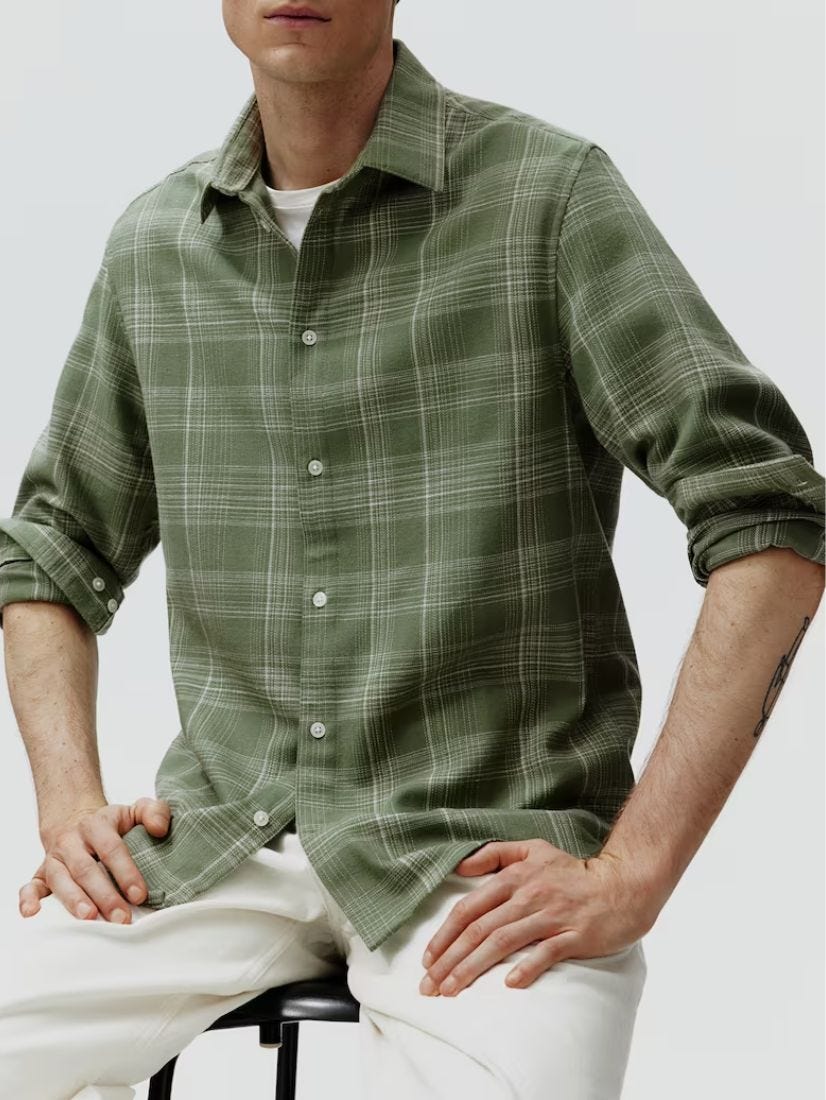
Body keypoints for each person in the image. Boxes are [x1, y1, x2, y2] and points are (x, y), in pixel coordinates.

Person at [0, 3, 823, 1098]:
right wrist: (67, 803)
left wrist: (633, 870)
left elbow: (767, 516)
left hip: (483, 854)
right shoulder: (158, 245)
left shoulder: (548, 197)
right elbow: (53, 544)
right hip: (222, 837)